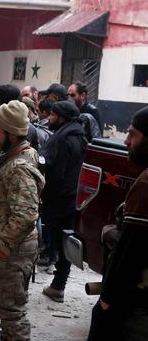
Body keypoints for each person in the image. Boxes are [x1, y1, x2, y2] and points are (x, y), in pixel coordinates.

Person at [0, 101, 45, 341]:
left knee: (12, 314)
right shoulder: (21, 153)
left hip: (13, 253)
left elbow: (26, 214)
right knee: (9, 311)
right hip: (13, 250)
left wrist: (2, 246)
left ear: (10, 133)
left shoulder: (19, 167)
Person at [88, 106, 148, 341]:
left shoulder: (145, 184)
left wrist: (106, 301)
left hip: (135, 303)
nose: (126, 141)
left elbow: (131, 251)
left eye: (133, 134)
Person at [39, 101, 88, 303]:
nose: (49, 118)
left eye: (53, 115)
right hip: (72, 200)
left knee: (60, 243)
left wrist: (44, 193)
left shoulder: (64, 139)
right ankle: (58, 285)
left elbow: (56, 173)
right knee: (64, 244)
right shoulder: (80, 137)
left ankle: (58, 286)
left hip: (60, 200)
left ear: (63, 118)